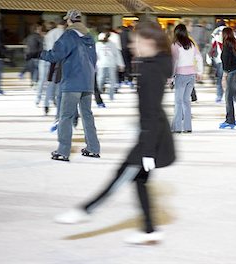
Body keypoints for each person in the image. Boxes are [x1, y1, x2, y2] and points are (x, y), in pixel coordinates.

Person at [54, 20, 175, 245]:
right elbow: (151, 109)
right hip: (154, 133)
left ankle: (85, 210)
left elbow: (150, 111)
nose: (130, 46)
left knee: (120, 175)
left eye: (135, 41)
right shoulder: (157, 62)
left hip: (152, 138)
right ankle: (150, 230)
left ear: (149, 42)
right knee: (138, 180)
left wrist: (147, 151)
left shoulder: (150, 69)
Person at [40, 9, 100, 161]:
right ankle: (93, 148)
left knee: (65, 116)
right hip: (87, 82)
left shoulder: (69, 35)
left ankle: (63, 151)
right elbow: (94, 59)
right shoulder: (89, 37)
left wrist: (40, 54)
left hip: (72, 82)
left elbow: (56, 55)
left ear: (69, 20)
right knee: (87, 115)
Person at [170, 24, 203, 133]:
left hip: (181, 75)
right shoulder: (191, 44)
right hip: (191, 75)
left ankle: (177, 127)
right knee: (186, 101)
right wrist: (199, 71)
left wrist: (170, 77)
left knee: (178, 101)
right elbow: (198, 57)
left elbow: (174, 62)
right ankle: (188, 127)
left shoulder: (175, 45)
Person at [219, 27, 236, 129]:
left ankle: (230, 120)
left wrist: (224, 76)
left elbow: (226, 62)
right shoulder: (235, 44)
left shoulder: (226, 46)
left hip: (233, 73)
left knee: (228, 97)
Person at [96, 32, 125, 101]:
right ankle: (99, 94)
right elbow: (95, 55)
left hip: (111, 64)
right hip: (101, 64)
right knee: (100, 80)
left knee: (113, 81)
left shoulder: (112, 45)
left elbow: (117, 55)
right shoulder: (97, 45)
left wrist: (121, 64)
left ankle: (111, 96)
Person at [209, 20, 226, 103]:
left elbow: (213, 46)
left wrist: (211, 56)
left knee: (219, 78)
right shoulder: (230, 32)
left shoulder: (215, 32)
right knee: (229, 78)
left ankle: (219, 97)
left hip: (219, 58)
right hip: (229, 58)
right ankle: (232, 97)